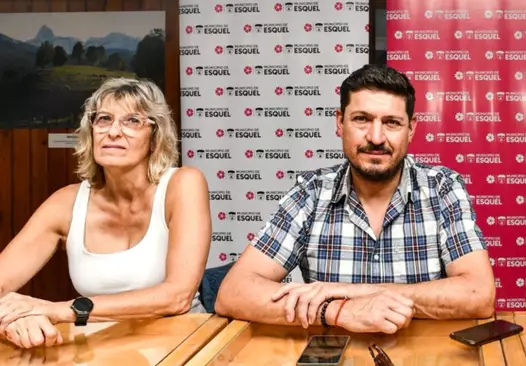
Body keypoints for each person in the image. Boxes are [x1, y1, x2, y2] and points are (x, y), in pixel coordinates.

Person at [215, 64, 495, 333]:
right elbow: (232, 293)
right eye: (362, 119)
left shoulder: (442, 188)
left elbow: (479, 295)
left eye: (392, 123)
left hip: (425, 359)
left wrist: (352, 292)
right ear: (340, 123)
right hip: (331, 358)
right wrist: (340, 311)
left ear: (411, 128)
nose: (376, 137)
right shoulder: (310, 193)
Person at [0, 78, 211, 348]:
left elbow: (177, 297)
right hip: (100, 349)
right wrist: (12, 319)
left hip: (181, 344)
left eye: (132, 121)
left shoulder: (183, 184)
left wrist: (60, 310)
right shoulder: (65, 203)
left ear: (155, 138)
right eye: (104, 119)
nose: (113, 132)